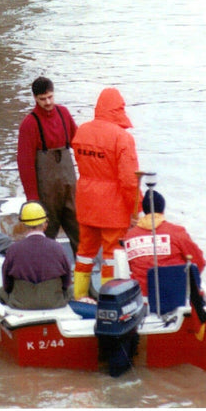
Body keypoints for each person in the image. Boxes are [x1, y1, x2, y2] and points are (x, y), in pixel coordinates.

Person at [71, 87, 141, 299]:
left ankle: (79, 296)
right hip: (113, 209)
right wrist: (136, 208)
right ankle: (108, 300)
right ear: (119, 109)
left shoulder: (82, 131)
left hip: (86, 203)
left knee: (84, 253)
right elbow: (129, 181)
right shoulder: (122, 138)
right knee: (112, 256)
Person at [17, 76, 80, 254]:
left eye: (50, 97)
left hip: (70, 187)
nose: (48, 102)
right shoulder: (29, 124)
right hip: (46, 192)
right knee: (46, 235)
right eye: (43, 99)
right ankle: (45, 266)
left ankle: (85, 269)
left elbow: (79, 145)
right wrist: (32, 199)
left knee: (80, 231)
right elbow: (25, 164)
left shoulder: (64, 113)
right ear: (35, 98)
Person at [123, 189, 206, 296]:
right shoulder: (176, 231)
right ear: (162, 209)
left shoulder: (129, 236)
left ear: (144, 210)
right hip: (176, 294)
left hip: (142, 295)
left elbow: (130, 267)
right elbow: (199, 262)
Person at [0, 201, 72, 309]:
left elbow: (7, 284)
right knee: (71, 290)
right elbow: (66, 281)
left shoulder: (13, 249)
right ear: (45, 224)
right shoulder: (58, 248)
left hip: (21, 302)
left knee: (0, 292)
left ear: (23, 225)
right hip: (54, 302)